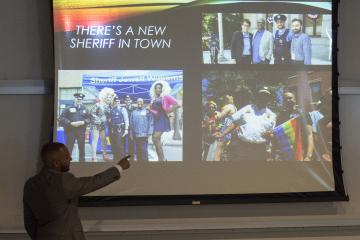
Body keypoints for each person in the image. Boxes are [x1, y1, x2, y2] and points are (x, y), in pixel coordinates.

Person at [23, 142, 130, 240]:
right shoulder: (62, 180)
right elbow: (94, 182)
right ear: (56, 163)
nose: (70, 158)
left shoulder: (30, 184)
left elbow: (29, 222)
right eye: (66, 157)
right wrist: (119, 167)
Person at [214, 87, 276, 161]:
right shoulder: (247, 108)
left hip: (259, 150)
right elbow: (235, 122)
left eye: (266, 96)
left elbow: (272, 134)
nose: (263, 98)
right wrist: (223, 133)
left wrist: (270, 136)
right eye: (261, 95)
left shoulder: (272, 115)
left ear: (268, 99)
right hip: (241, 147)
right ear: (257, 97)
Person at [275, 91, 314, 161]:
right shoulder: (280, 116)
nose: (288, 100)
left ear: (295, 100)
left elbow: (309, 134)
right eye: (285, 99)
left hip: (300, 151)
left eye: (290, 98)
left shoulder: (304, 114)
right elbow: (277, 134)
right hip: (285, 153)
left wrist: (309, 155)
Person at [149, 81, 180, 161]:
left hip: (162, 120)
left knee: (155, 138)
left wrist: (169, 110)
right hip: (155, 120)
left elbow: (178, 104)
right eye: (156, 88)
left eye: (159, 88)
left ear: (163, 89)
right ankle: (161, 159)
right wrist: (150, 109)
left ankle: (162, 159)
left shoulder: (165, 97)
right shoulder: (154, 98)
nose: (157, 89)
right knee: (155, 139)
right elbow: (155, 111)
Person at [59, 93, 91, 162]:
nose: (79, 100)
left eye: (80, 99)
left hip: (81, 131)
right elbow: (61, 118)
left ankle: (82, 162)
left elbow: (89, 118)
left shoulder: (85, 108)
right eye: (77, 99)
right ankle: (66, 161)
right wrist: (70, 123)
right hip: (70, 131)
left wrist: (84, 122)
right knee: (69, 147)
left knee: (82, 147)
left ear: (82, 100)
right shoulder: (68, 108)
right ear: (74, 99)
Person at [214, 95, 237, 161]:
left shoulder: (229, 107)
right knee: (225, 152)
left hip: (225, 129)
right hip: (231, 129)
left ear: (226, 100)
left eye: (224, 99)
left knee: (218, 151)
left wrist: (215, 112)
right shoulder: (235, 107)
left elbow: (220, 116)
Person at [106, 95, 129, 161]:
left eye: (118, 101)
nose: (117, 102)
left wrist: (126, 129)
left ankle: (121, 160)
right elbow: (109, 120)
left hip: (120, 129)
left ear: (119, 102)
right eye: (115, 101)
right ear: (114, 102)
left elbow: (126, 119)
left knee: (120, 145)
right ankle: (115, 160)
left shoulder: (123, 109)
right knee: (114, 145)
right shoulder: (111, 110)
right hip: (113, 130)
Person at [123, 95, 135, 160]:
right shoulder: (122, 109)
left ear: (131, 101)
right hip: (124, 129)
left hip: (132, 129)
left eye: (129, 99)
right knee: (123, 143)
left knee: (131, 144)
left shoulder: (134, 109)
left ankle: (132, 158)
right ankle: (124, 157)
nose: (127, 101)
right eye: (126, 100)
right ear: (124, 101)